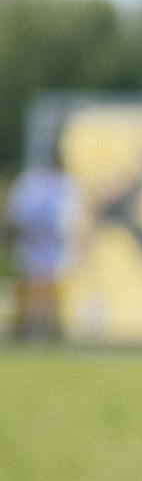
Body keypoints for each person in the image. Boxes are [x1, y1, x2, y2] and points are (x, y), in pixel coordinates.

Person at [8, 146, 79, 343]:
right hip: (36, 241)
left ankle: (45, 328)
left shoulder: (60, 183)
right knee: (34, 283)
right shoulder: (36, 182)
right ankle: (30, 328)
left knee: (47, 283)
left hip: (51, 243)